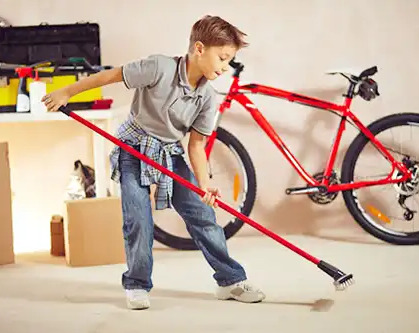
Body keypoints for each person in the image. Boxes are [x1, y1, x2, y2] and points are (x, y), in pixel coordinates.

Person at [42, 14, 265, 310]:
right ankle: (136, 283)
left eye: (229, 61)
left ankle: (230, 280)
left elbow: (196, 146)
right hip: (132, 149)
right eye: (223, 59)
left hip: (169, 153)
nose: (226, 68)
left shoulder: (207, 98)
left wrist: (205, 185)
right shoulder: (160, 67)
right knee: (138, 218)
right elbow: (111, 76)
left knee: (202, 215)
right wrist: (66, 92)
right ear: (199, 49)